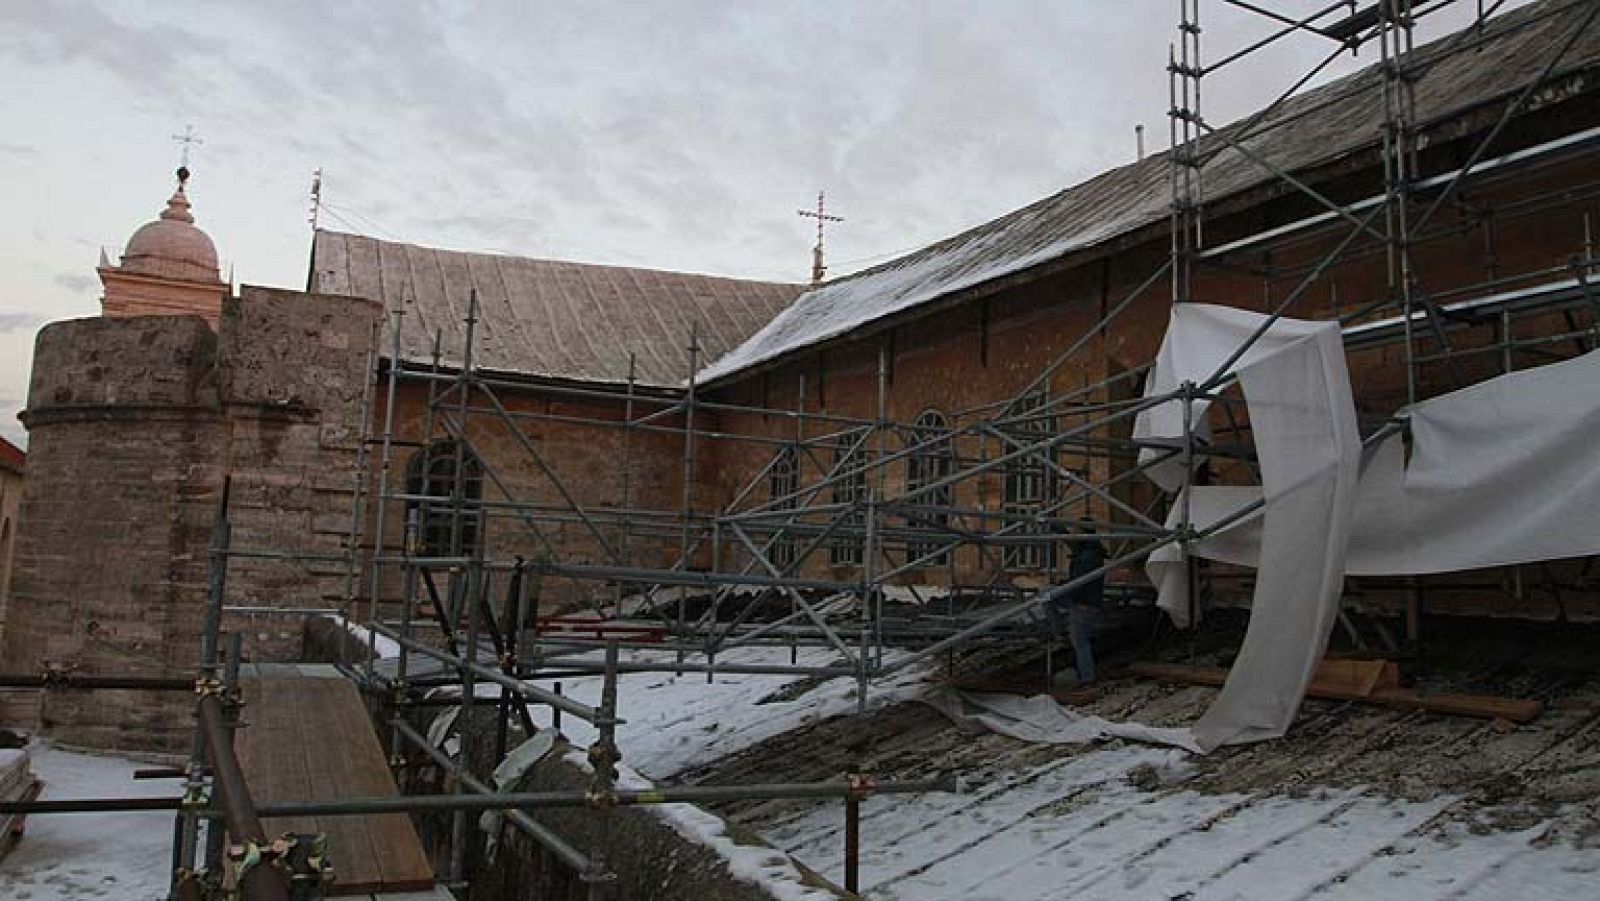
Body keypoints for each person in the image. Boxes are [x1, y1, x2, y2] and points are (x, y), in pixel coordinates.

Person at [1041, 528, 1106, 685]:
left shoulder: (1087, 557)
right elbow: (1069, 541)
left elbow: (1080, 583)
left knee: (1080, 641)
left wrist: (1064, 588)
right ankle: (1060, 631)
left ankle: (1087, 678)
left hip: (1083, 603)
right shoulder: (1088, 551)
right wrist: (1057, 527)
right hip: (1082, 599)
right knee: (1047, 596)